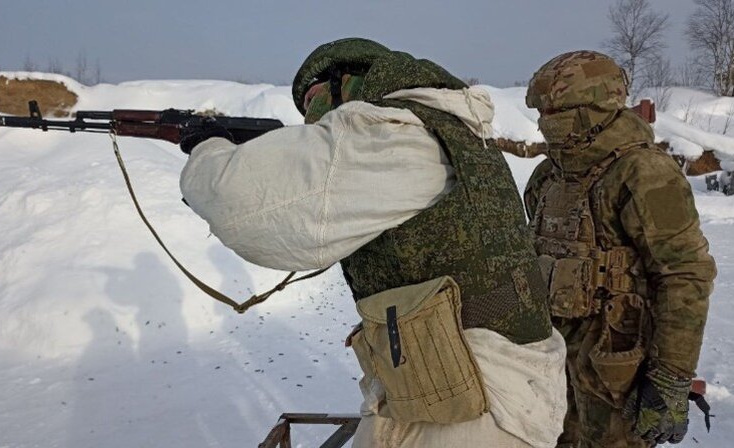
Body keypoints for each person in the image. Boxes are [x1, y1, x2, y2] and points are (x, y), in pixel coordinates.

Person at [179, 38, 566, 447]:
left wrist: (206, 145)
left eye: (314, 99)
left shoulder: (399, 134)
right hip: (451, 374)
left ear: (348, 83)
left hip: (479, 396)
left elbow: (237, 203)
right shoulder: (444, 127)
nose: (312, 113)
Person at [523, 50, 717, 447]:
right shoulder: (549, 175)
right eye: (542, 112)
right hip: (552, 365)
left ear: (594, 109)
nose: (546, 121)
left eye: (557, 111)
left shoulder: (644, 173)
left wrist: (671, 376)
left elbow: (685, 274)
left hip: (616, 368)